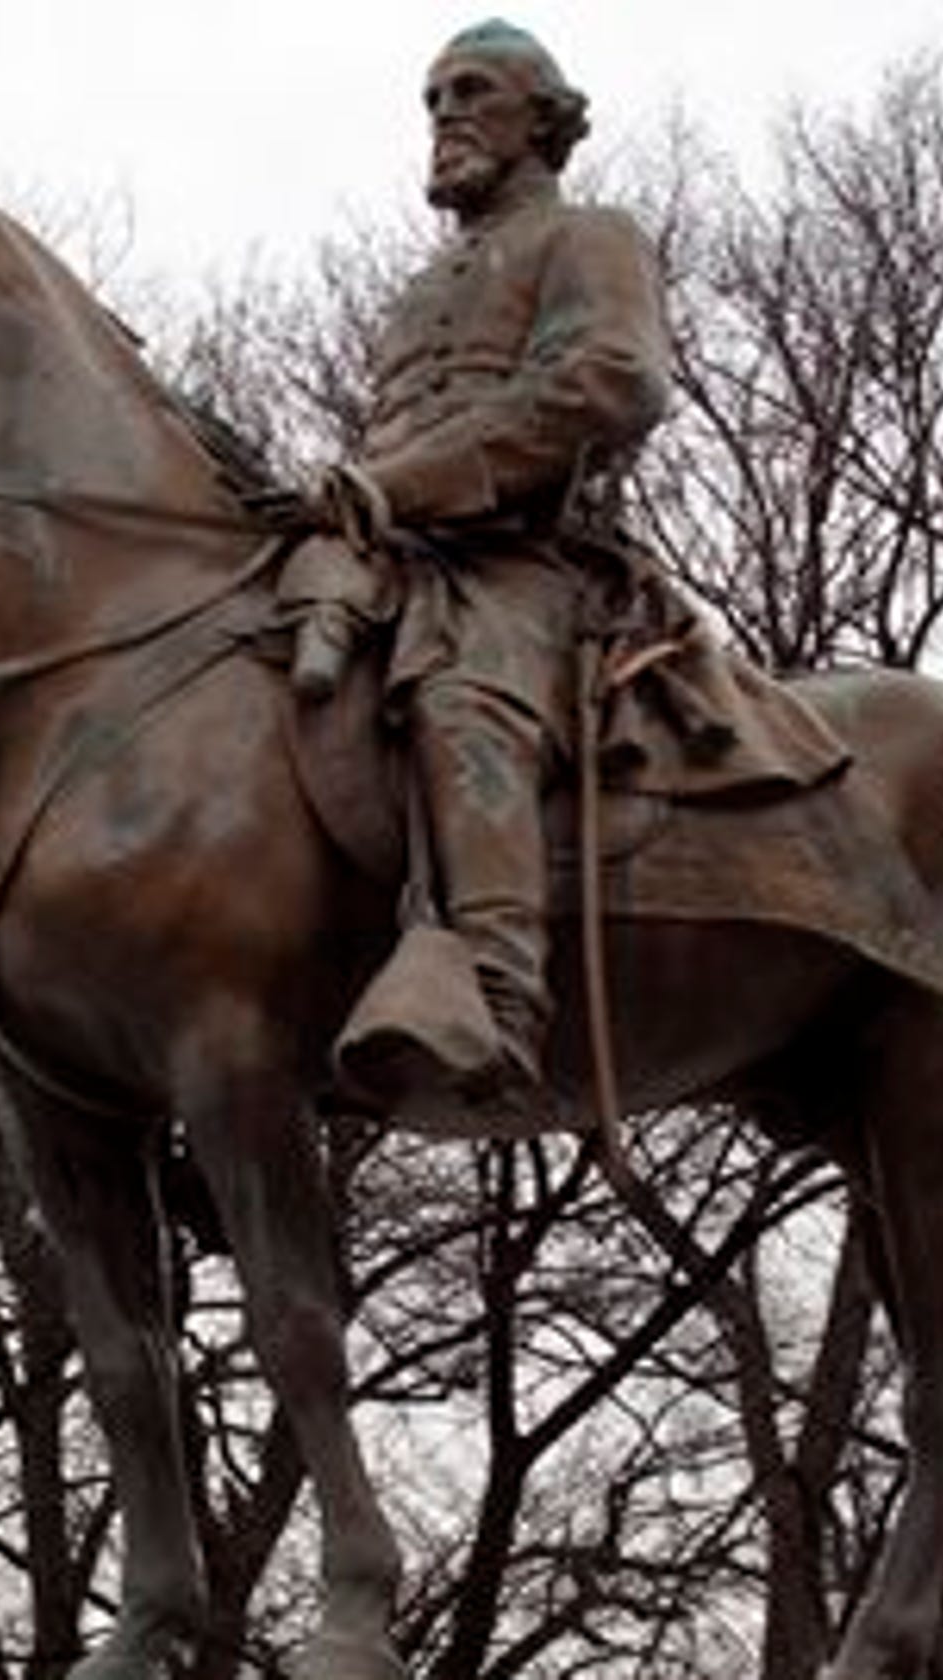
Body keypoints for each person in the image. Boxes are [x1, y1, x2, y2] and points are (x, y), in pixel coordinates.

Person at [301, 19, 673, 1119]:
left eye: (471, 92)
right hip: (388, 554)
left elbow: (611, 381)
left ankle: (500, 995)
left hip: (522, 564)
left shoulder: (587, 237)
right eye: (430, 98)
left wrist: (406, 485)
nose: (444, 114)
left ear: (542, 123)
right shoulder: (420, 289)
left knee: (464, 699)